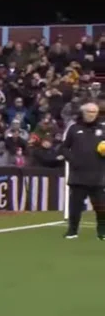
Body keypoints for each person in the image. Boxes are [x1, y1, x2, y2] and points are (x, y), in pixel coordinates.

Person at [58, 100, 105, 239]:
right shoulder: (74, 129)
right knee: (75, 206)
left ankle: (102, 232)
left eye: (94, 112)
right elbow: (63, 148)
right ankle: (72, 231)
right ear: (83, 113)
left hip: (98, 176)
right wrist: (72, 160)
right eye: (89, 112)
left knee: (101, 207)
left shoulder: (103, 129)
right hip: (78, 176)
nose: (91, 114)